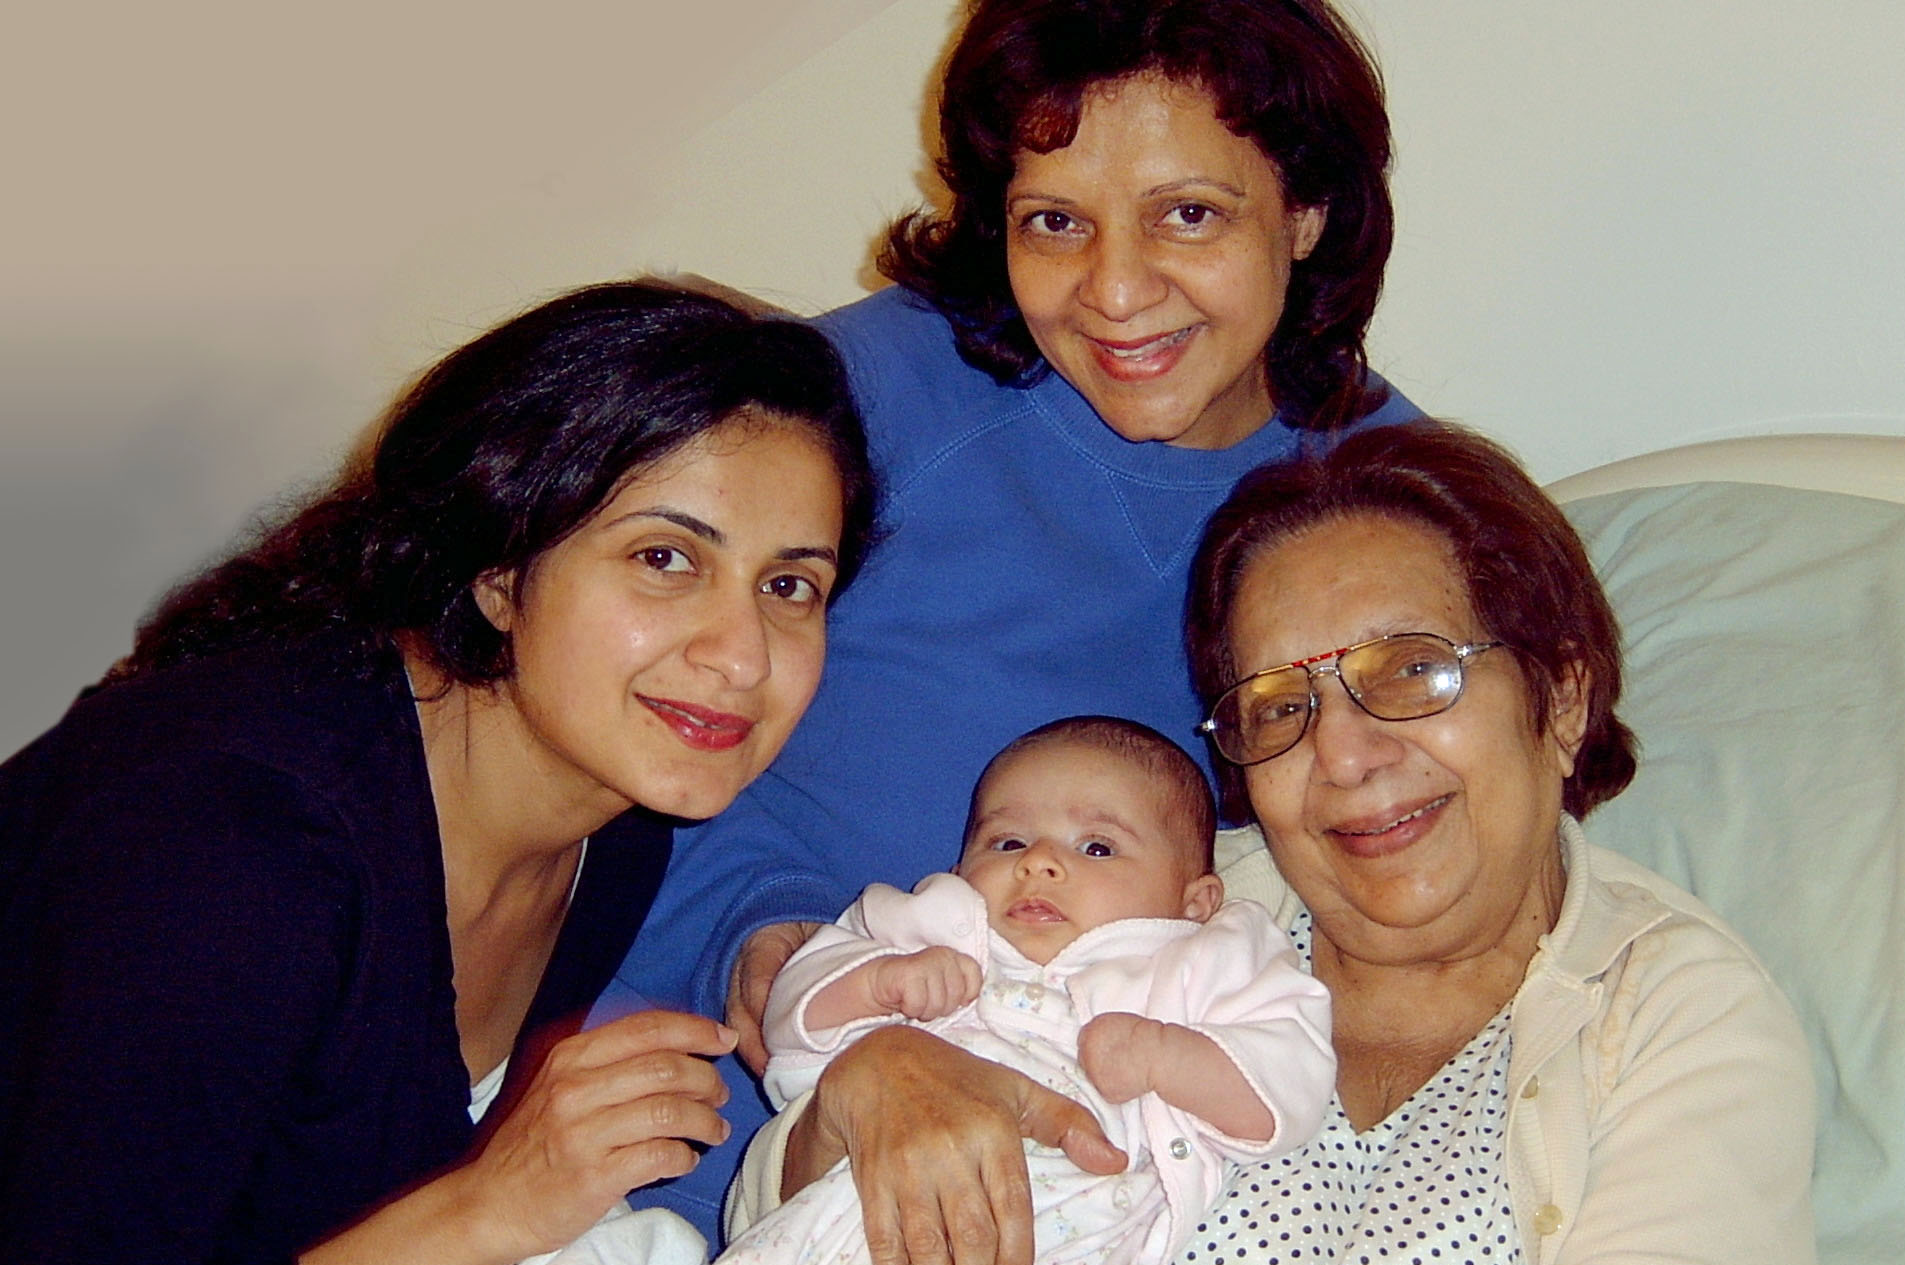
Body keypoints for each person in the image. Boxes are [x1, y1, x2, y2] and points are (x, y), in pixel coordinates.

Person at [616, 0, 1421, 1235]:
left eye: (1188, 213)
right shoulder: (856, 405)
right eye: (1055, 222)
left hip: (1084, 1186)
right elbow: (588, 696)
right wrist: (792, 974)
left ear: (1306, 211)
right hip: (695, 1127)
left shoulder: (1379, 504)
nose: (1114, 290)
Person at [724, 421, 1818, 1265]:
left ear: (1562, 695)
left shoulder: (1674, 1012)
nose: (1344, 753)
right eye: (1278, 704)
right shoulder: (1154, 901)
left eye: (1410, 670)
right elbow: (773, 1208)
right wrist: (864, 1089)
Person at [0, 280, 877, 1265]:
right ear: (498, 568)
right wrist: (489, 1208)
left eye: (789, 585)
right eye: (665, 558)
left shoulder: (613, 816)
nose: (743, 655)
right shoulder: (232, 856)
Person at [715, 716, 1331, 1265]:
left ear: (1193, 901)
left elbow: (1288, 1081)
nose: (1038, 861)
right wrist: (876, 983)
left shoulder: (1208, 954)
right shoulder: (932, 926)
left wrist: (1167, 1055)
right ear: (960, 871)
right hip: (865, 1215)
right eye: (1008, 842)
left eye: (1097, 847)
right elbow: (792, 1022)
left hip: (1082, 1222)